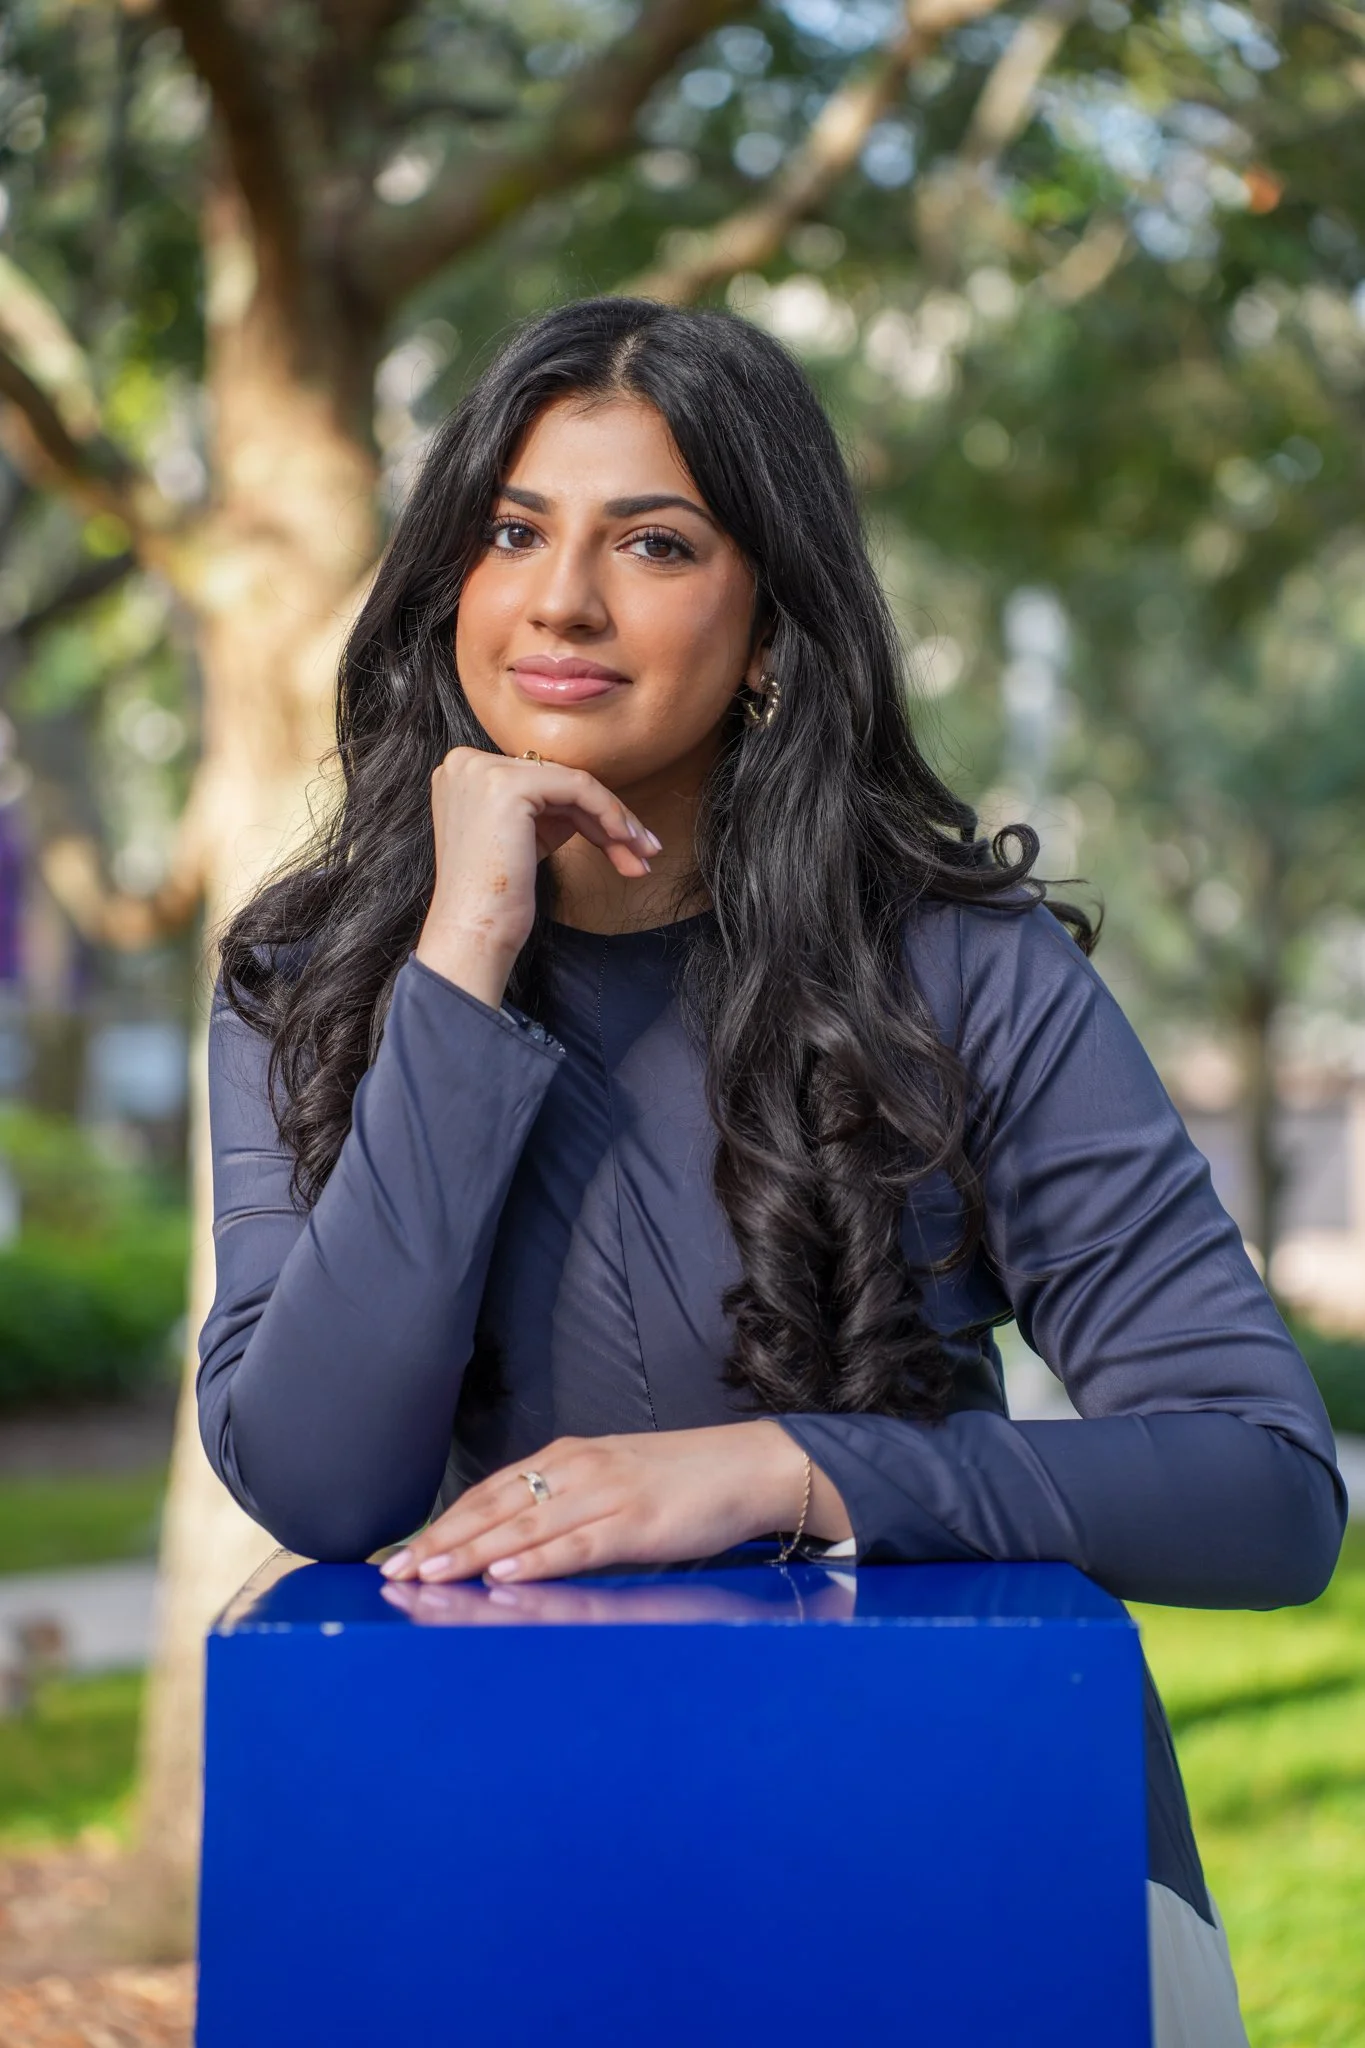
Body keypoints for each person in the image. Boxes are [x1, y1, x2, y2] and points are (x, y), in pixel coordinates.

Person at [199, 296, 1344, 2046]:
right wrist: (468, 950)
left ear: (770, 633)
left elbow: (1265, 1494)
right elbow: (321, 1483)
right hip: (493, 1869)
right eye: (515, 532)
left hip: (972, 1853)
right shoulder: (320, 981)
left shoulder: (962, 971)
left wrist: (786, 1469)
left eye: (652, 542)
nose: (562, 599)